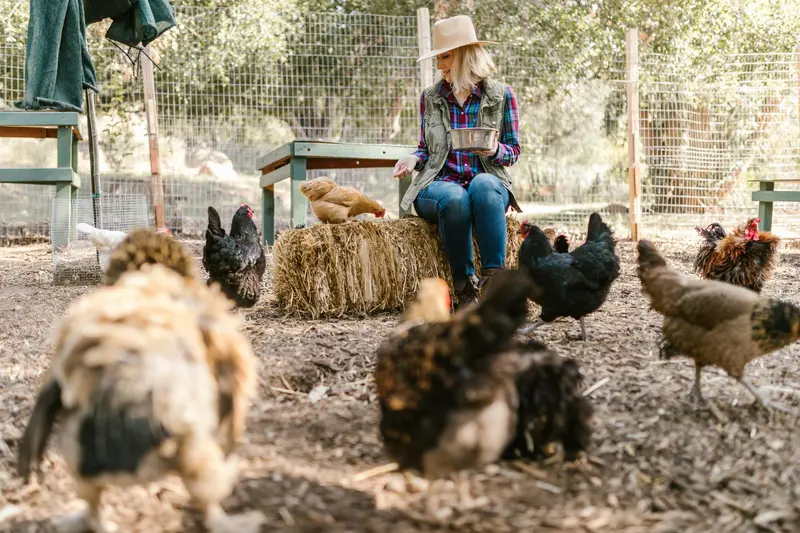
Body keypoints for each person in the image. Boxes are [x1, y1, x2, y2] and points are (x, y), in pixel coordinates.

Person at [393, 14, 522, 310]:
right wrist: (413, 159)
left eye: (445, 57)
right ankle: (464, 290)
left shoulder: (502, 95)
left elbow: (513, 151)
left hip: (486, 183)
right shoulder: (430, 97)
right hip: (438, 186)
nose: (439, 65)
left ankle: (493, 286)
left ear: (465, 55)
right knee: (455, 197)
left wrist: (493, 150)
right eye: (438, 58)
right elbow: (425, 149)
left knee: (485, 184)